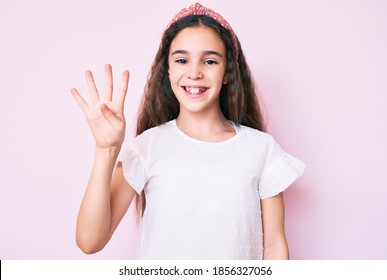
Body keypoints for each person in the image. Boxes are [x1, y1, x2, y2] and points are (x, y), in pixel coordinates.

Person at [71, 2, 305, 260]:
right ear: (168, 70)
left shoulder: (262, 150)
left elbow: (274, 247)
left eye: (210, 61)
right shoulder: (147, 146)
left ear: (227, 72)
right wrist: (106, 149)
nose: (194, 73)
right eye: (182, 60)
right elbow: (89, 241)